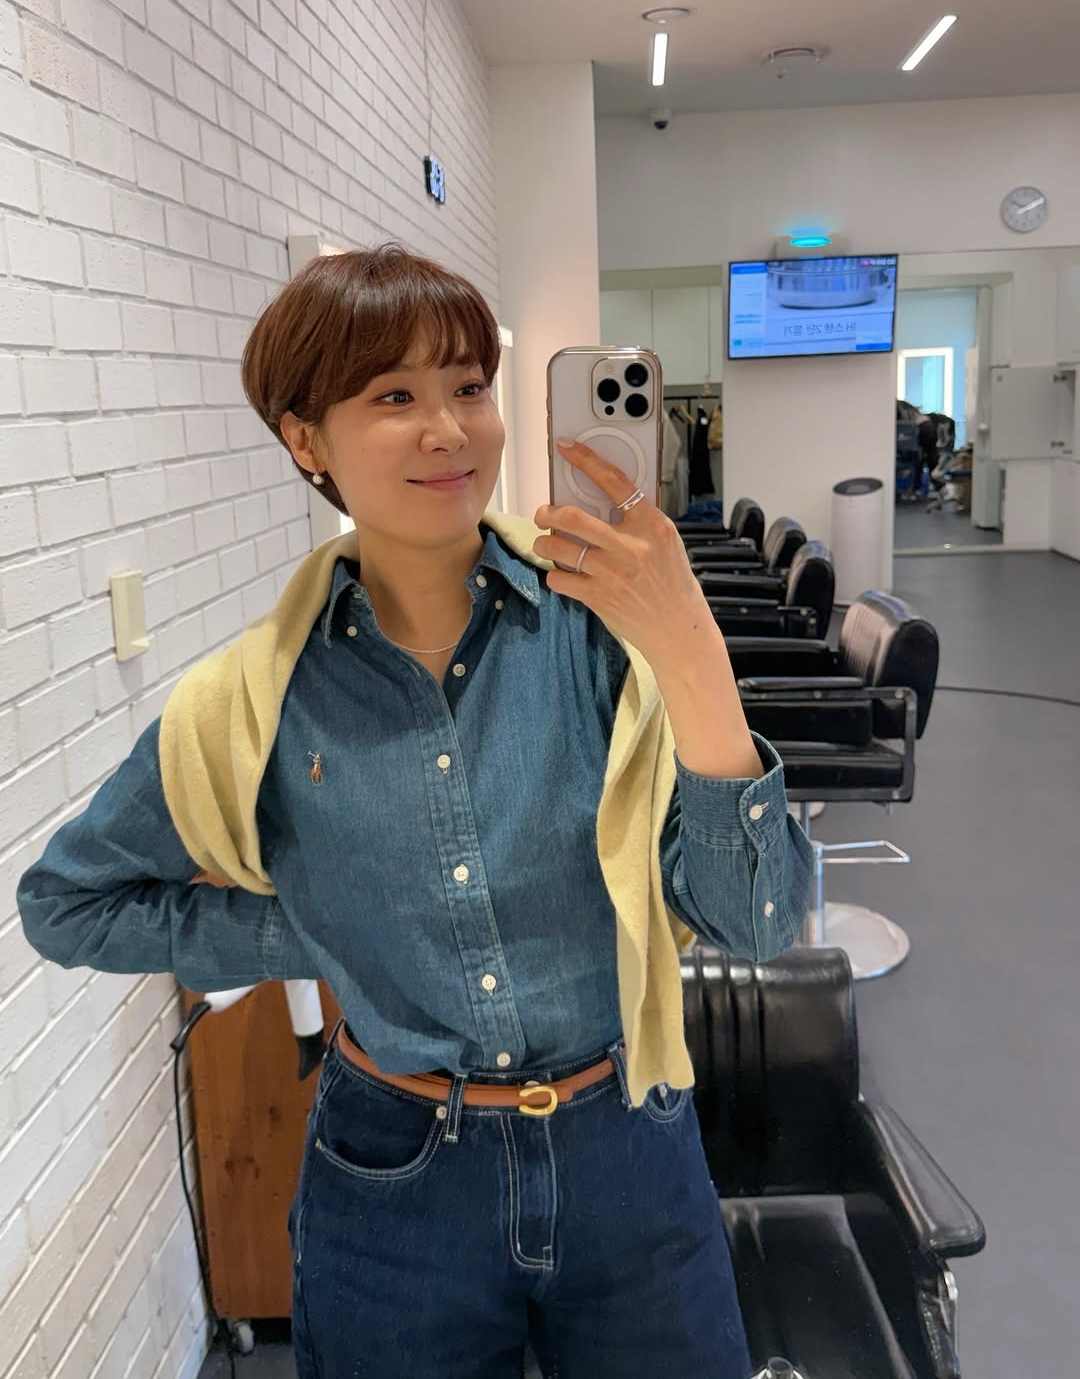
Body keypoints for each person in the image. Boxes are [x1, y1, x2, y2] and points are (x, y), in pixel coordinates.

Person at [17, 244, 814, 1379]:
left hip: (627, 1149)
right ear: (306, 439)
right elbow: (66, 904)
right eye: (394, 397)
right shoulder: (253, 703)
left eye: (469, 386)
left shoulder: (607, 640)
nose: (450, 430)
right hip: (394, 1180)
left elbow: (760, 922)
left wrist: (693, 654)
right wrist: (317, 927)